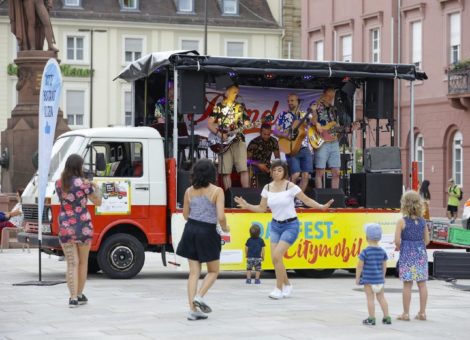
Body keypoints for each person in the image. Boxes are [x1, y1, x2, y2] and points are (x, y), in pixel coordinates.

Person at [234, 160, 333, 299]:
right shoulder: (267, 188)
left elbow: (306, 200)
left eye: (279, 170)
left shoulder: (290, 186)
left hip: (291, 225)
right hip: (275, 225)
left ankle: (278, 288)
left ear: (284, 172)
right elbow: (262, 208)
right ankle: (287, 284)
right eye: (274, 170)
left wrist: (321, 207)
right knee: (276, 259)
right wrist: (247, 205)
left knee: (276, 256)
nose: (276, 172)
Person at [176, 159, 229, 321]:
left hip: (191, 229)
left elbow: (185, 215)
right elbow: (220, 216)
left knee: (193, 273)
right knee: (213, 271)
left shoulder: (188, 191)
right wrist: (225, 228)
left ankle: (192, 309)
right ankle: (199, 296)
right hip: (207, 231)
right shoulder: (217, 191)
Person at [55, 154, 102, 308]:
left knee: (71, 263)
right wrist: (96, 186)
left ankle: (72, 297)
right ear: (79, 167)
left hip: (65, 225)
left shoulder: (58, 183)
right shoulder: (84, 184)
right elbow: (98, 202)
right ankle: (80, 294)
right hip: (83, 225)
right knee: (82, 262)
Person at [394, 190, 430, 321]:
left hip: (407, 253)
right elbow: (427, 240)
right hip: (420, 253)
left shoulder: (402, 222)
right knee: (422, 284)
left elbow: (397, 240)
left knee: (407, 284)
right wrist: (418, 246)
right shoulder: (422, 222)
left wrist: (401, 247)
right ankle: (422, 312)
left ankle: (406, 313)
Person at [208, 84, 251, 189]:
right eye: (233, 91)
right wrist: (219, 134)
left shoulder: (240, 107)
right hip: (223, 142)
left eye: (237, 92)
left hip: (238, 140)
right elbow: (209, 124)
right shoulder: (218, 107)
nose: (235, 94)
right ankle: (229, 197)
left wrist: (248, 124)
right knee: (225, 171)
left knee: (243, 168)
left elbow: (247, 123)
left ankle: (246, 195)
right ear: (226, 92)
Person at [274, 94, 313, 194]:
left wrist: (314, 110)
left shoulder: (304, 114)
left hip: (304, 147)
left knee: (305, 175)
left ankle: (299, 198)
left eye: (292, 100)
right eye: (288, 101)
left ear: (298, 101)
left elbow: (314, 121)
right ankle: (288, 196)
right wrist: (285, 135)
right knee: (295, 174)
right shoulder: (283, 114)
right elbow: (275, 131)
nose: (290, 103)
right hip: (291, 147)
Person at [355, 223, 391, 326]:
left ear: (366, 237)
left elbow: (359, 266)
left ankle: (371, 318)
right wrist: (382, 277)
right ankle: (387, 317)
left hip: (368, 280)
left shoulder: (365, 252)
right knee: (382, 298)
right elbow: (384, 266)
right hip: (379, 280)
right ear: (379, 238)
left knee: (370, 299)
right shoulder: (382, 252)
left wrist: (357, 278)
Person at [310, 87, 342, 189]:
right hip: (322, 142)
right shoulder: (316, 106)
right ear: (323, 94)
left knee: (336, 172)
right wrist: (316, 122)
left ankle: (335, 197)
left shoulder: (334, 109)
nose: (330, 98)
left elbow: (337, 127)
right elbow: (311, 120)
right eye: (328, 96)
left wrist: (348, 128)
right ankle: (319, 198)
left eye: (332, 97)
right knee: (320, 171)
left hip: (334, 142)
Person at [247, 123, 280, 187]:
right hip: (254, 165)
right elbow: (247, 160)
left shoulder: (274, 141)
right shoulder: (253, 142)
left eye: (268, 134)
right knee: (248, 170)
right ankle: (251, 191)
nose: (266, 136)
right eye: (264, 134)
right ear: (260, 132)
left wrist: (274, 167)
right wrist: (259, 164)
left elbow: (277, 158)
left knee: (280, 170)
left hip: (268, 165)